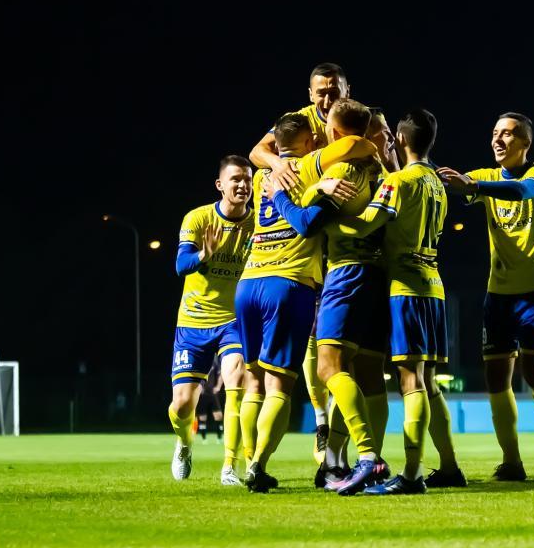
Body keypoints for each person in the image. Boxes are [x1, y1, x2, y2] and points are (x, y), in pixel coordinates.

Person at [266, 99, 390, 495]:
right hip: (379, 276)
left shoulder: (343, 169)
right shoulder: (380, 168)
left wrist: (280, 195)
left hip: (347, 274)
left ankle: (367, 457)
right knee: (367, 376)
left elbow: (306, 224)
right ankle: (340, 460)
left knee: (328, 368)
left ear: (334, 132)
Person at [437, 112, 534, 482]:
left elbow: (522, 191)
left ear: (526, 143)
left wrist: (473, 187)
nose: (498, 139)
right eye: (495, 133)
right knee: (495, 378)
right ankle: (512, 462)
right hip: (499, 295)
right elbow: (449, 184)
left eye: (508, 134)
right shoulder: (486, 176)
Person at [236, 112, 361, 492]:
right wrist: (325, 183)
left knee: (253, 383)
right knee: (279, 386)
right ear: (308, 142)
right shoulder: (309, 166)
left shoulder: (261, 176)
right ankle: (257, 465)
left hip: (248, 283)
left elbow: (263, 156)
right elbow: (353, 147)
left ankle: (246, 459)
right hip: (287, 285)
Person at [332, 108, 452, 494]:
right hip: (434, 286)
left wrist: (325, 221)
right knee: (427, 382)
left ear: (400, 139)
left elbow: (365, 224)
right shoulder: (437, 182)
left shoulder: (399, 182)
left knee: (411, 381)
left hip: (405, 288)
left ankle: (413, 475)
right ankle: (447, 466)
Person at [167, 155, 254, 486]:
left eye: (247, 179)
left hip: (234, 320)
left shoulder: (258, 223)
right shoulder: (199, 218)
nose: (243, 185)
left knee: (237, 383)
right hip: (193, 321)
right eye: (236, 179)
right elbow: (181, 266)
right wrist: (205, 254)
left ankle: (229, 466)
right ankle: (184, 443)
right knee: (181, 405)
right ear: (220, 184)